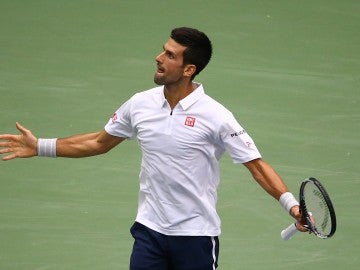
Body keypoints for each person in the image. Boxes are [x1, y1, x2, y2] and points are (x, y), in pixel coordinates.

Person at [0, 27, 305, 269]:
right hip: (149, 231)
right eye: (163, 50)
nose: (159, 57)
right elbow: (98, 141)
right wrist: (40, 146)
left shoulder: (217, 116)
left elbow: (256, 165)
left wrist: (292, 206)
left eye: (170, 55)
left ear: (188, 69)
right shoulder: (140, 103)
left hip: (195, 236)